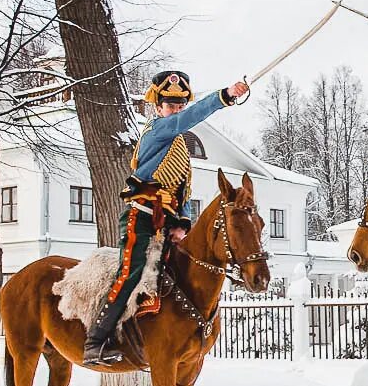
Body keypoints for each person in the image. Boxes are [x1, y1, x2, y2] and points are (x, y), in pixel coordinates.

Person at [83, 70, 249, 366]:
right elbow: (191, 118)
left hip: (167, 222)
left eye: (181, 103)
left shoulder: (179, 149)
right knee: (131, 270)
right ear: (157, 106)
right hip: (142, 215)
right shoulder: (159, 130)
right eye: (170, 104)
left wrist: (182, 223)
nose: (177, 109)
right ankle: (96, 340)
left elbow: (182, 190)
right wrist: (225, 96)